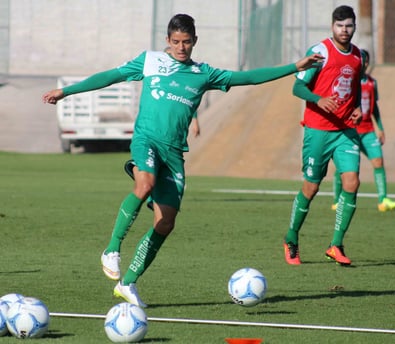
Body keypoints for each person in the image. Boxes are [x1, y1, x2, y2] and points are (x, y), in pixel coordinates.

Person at [43, 13, 323, 307]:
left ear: (194, 41)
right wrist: (66, 92)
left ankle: (128, 283)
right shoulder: (150, 61)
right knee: (145, 184)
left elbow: (248, 78)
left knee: (165, 223)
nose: (181, 47)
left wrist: (295, 66)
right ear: (167, 40)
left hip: (174, 153)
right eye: (176, 41)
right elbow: (111, 76)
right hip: (146, 140)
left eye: (186, 42)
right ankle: (111, 249)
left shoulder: (204, 73)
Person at [282, 5, 363, 266]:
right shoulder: (320, 52)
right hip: (318, 130)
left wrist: (359, 108)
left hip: (345, 132)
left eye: (349, 26)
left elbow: (355, 88)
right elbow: (297, 87)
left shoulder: (357, 56)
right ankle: (291, 237)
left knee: (352, 183)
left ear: (354, 27)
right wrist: (319, 100)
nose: (345, 30)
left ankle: (336, 244)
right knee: (312, 187)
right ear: (332, 26)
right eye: (340, 26)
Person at [332, 49, 395, 212]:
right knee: (344, 168)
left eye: (366, 61)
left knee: (378, 162)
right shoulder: (348, 81)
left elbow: (374, 107)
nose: (364, 64)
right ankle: (337, 200)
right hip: (350, 131)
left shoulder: (371, 83)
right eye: (362, 60)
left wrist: (380, 128)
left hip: (368, 131)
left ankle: (383, 200)